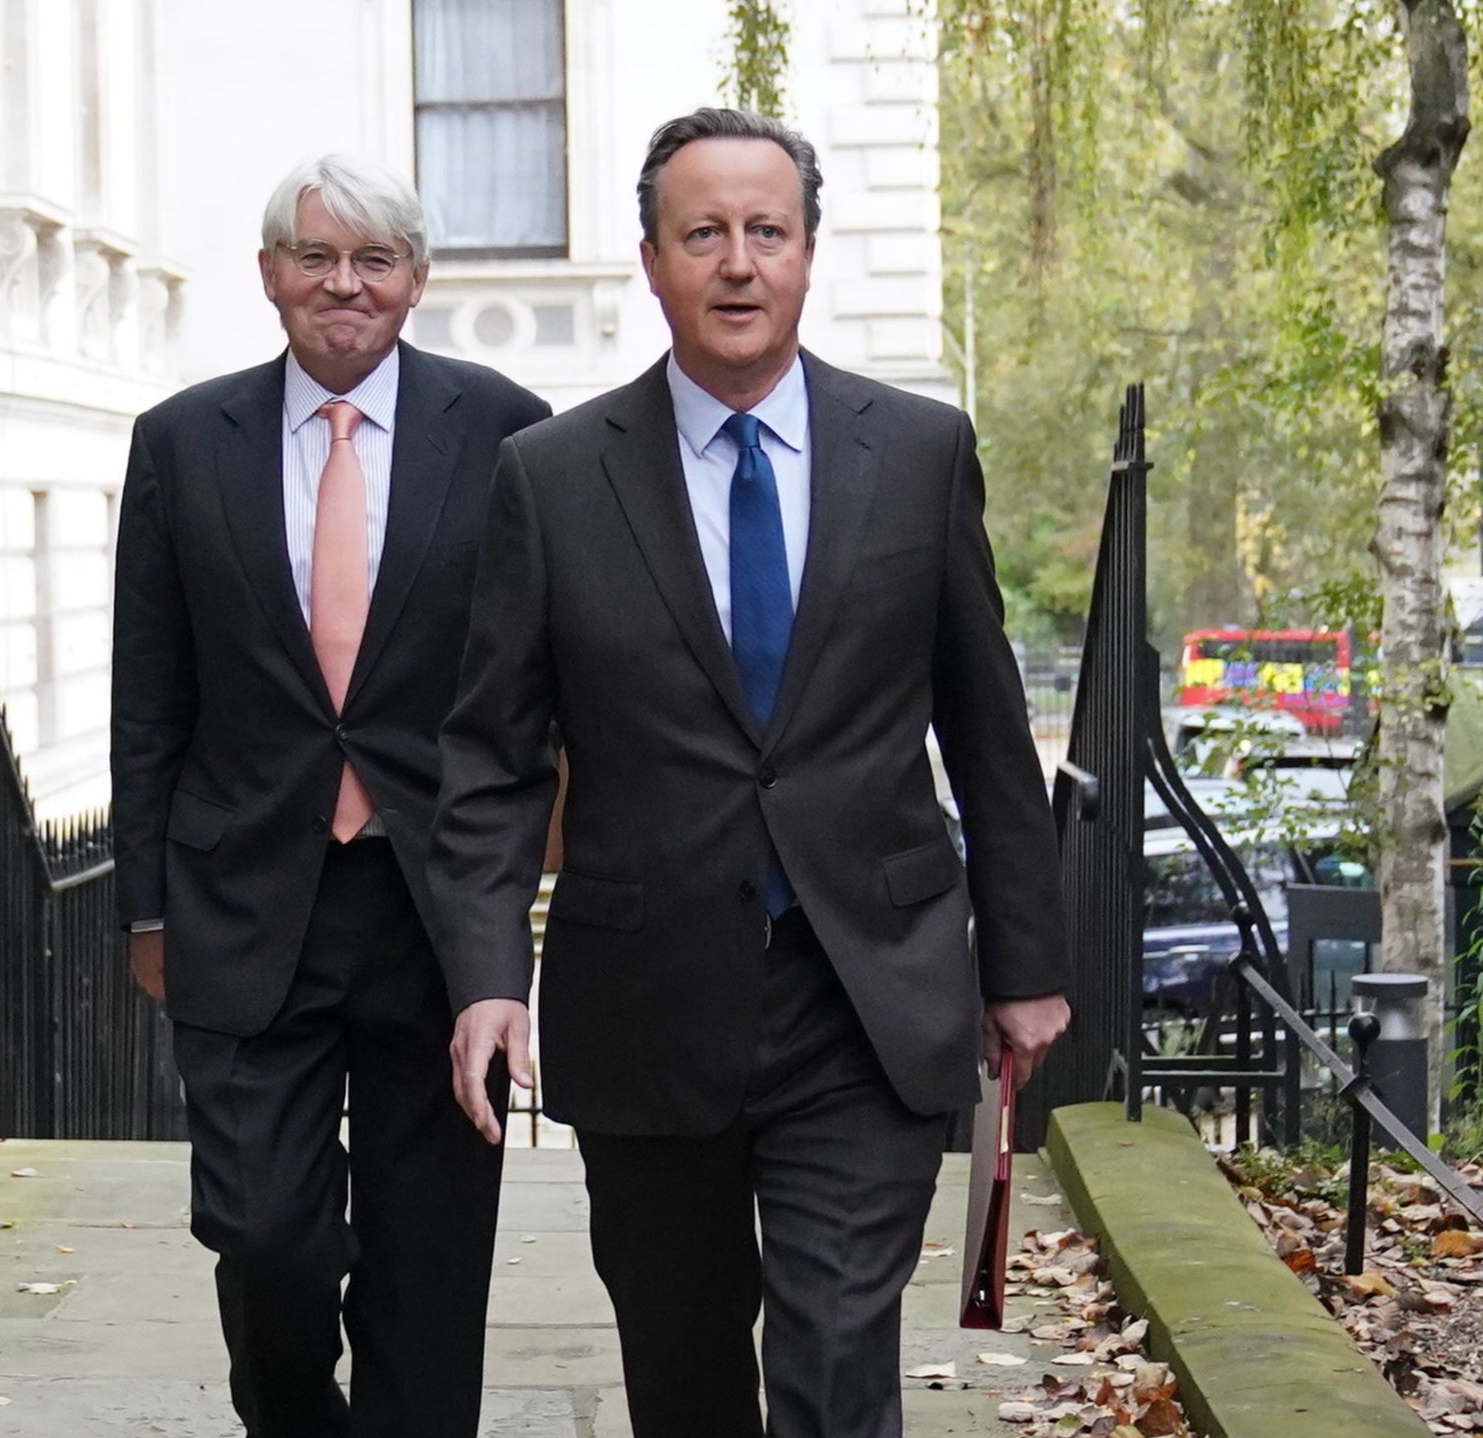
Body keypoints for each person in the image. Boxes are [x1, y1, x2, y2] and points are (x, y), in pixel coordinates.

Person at [430, 108, 1072, 1438]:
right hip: (647, 1000)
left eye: (764, 232)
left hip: (868, 983)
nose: (737, 263)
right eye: (703, 233)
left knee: (837, 1354)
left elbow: (985, 727)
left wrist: (1021, 960)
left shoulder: (914, 454)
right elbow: (492, 755)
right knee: (683, 1370)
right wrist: (489, 973)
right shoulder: (548, 481)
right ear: (653, 261)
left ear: (806, 252)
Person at [109, 153, 550, 1438]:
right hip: (245, 898)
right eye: (314, 258)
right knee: (267, 1234)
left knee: (429, 1262)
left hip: (438, 907)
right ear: (269, 277)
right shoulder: (184, 442)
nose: (342, 285)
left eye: (373, 260)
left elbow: (545, 686)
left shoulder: (516, 431)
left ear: (414, 280)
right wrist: (147, 907)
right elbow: (151, 694)